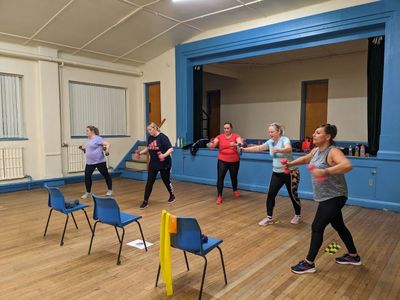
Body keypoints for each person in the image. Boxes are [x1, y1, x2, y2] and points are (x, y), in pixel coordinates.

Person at [288, 124, 361, 274]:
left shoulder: (332, 151)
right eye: (314, 132)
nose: (314, 135)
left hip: (335, 196)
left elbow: (347, 165)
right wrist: (290, 164)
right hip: (325, 196)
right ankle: (354, 256)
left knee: (317, 227)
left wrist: (324, 172)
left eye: (318, 132)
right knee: (339, 226)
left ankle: (309, 263)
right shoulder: (316, 151)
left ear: (327, 137)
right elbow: (306, 159)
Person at [242, 123, 301, 225]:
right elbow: (259, 148)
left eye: (272, 132)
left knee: (293, 195)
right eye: (269, 132)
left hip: (290, 172)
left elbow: (289, 149)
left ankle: (298, 215)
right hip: (277, 172)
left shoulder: (284, 139)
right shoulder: (270, 142)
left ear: (278, 132)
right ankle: (269, 217)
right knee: (271, 194)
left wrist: (278, 149)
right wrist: (243, 149)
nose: (270, 134)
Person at [137, 122, 175, 209]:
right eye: (148, 130)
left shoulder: (163, 137)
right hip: (153, 163)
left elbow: (170, 149)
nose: (149, 132)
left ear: (155, 128)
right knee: (149, 182)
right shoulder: (150, 138)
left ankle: (172, 195)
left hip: (164, 163)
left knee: (166, 180)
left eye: (150, 130)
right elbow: (148, 147)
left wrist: (163, 155)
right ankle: (145, 201)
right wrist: (140, 152)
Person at [207, 122, 243, 205]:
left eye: (228, 128)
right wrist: (211, 144)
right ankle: (219, 196)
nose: (226, 130)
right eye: (225, 128)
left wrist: (235, 144)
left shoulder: (236, 136)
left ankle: (235, 190)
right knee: (220, 178)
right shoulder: (219, 136)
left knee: (234, 177)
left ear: (231, 129)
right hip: (222, 160)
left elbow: (240, 144)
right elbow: (213, 144)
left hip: (234, 161)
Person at [81, 126, 112, 199]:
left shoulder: (97, 138)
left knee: (105, 174)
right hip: (90, 162)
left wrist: (107, 150)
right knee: (87, 176)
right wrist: (84, 150)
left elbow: (107, 144)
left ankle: (110, 190)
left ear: (92, 131)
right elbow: (90, 149)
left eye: (87, 131)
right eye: (86, 131)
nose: (86, 132)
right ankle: (88, 193)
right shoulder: (88, 140)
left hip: (99, 161)